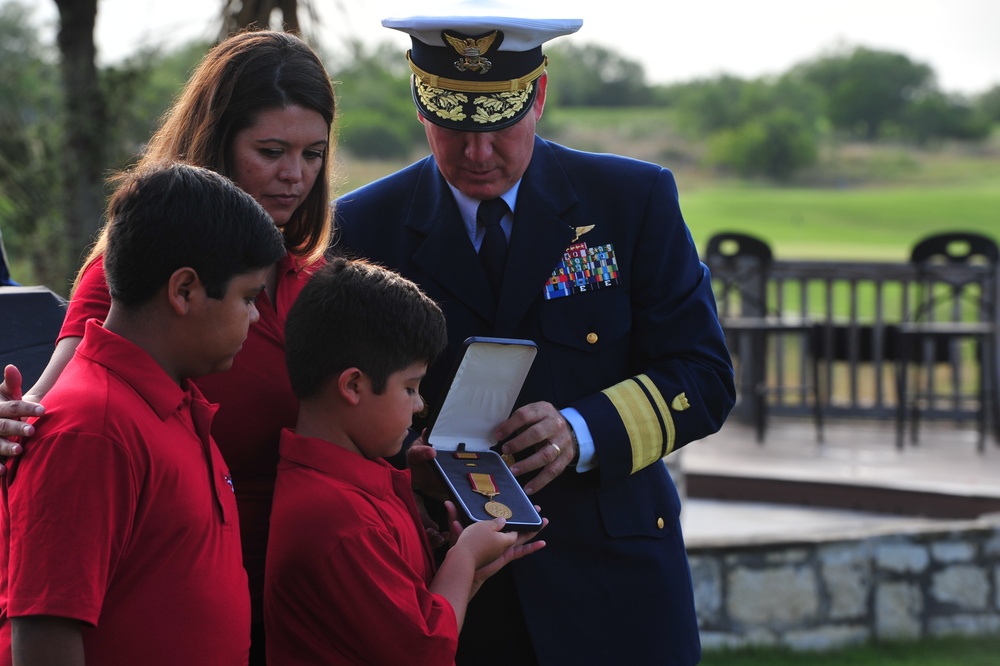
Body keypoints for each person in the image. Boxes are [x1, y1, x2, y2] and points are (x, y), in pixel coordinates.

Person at [331, 3, 736, 664]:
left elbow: (704, 376)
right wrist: (410, 467)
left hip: (616, 591)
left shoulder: (631, 202)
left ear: (539, 94)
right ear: (419, 102)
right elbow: (340, 407)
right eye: (453, 126)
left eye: (499, 124)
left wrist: (578, 431)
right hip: (456, 591)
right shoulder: (362, 228)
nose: (478, 153)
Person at [0, 28, 335, 664]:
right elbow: (59, 412)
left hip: (290, 597)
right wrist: (11, 429)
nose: (295, 176)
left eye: (313, 154)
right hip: (157, 592)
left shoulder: (310, 280)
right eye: (270, 151)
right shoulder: (136, 283)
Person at [0, 162, 288, 665]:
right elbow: (45, 637)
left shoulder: (174, 402)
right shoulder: (94, 429)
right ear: (184, 292)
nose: (256, 316)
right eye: (247, 297)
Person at [264, 257, 546, 664]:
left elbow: (416, 612)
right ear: (354, 385)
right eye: (411, 388)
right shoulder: (340, 519)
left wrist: (467, 570)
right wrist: (465, 557)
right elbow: (426, 650)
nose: (419, 406)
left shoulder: (361, 478)